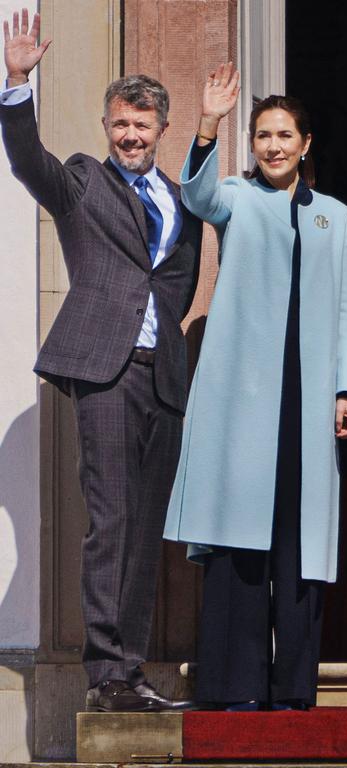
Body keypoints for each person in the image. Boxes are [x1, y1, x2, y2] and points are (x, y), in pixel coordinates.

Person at [0, 9, 201, 712]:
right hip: (104, 373)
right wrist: (17, 83)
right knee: (110, 521)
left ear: (160, 130)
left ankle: (132, 671)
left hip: (161, 376)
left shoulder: (180, 201)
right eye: (121, 122)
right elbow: (31, 164)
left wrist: (162, 345)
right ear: (108, 125)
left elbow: (176, 283)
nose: (131, 134)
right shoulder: (84, 181)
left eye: (142, 125)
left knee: (145, 531)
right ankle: (105, 676)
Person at [162, 63, 347, 711]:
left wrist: (345, 389)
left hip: (308, 404)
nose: (273, 145)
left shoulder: (335, 216)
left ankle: (292, 691)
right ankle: (235, 688)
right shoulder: (237, 198)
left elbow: (345, 312)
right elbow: (196, 197)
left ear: (306, 144)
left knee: (298, 547)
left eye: (284, 135)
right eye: (263, 135)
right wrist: (209, 122)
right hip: (245, 404)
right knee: (241, 544)